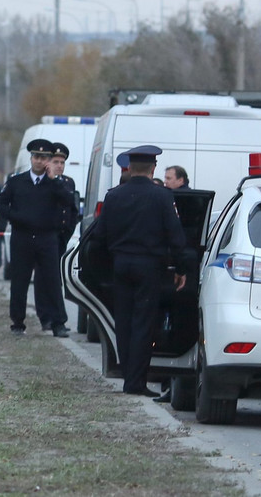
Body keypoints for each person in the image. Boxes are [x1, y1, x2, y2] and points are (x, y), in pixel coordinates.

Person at [96, 145, 186, 397]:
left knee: (123, 322)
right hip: (149, 266)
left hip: (121, 265)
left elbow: (99, 235)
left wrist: (106, 266)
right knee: (143, 324)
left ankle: (127, 375)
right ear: (153, 168)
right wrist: (181, 267)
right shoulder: (163, 196)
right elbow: (174, 234)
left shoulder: (114, 196)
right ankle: (135, 381)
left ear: (129, 168)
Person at [0, 139, 76, 337]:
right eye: (36, 157)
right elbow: (0, 203)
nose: (39, 161)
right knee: (20, 281)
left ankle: (58, 323)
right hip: (22, 237)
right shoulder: (17, 181)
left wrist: (53, 180)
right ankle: (17, 322)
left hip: (47, 237)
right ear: (31, 158)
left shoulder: (55, 184)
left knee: (51, 281)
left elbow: (68, 201)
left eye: (44, 158)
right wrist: (17, 217)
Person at [47, 142, 79, 253]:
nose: (60, 165)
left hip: (63, 235)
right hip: (46, 234)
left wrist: (69, 230)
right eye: (56, 162)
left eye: (62, 162)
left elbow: (73, 209)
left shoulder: (68, 182)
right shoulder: (44, 181)